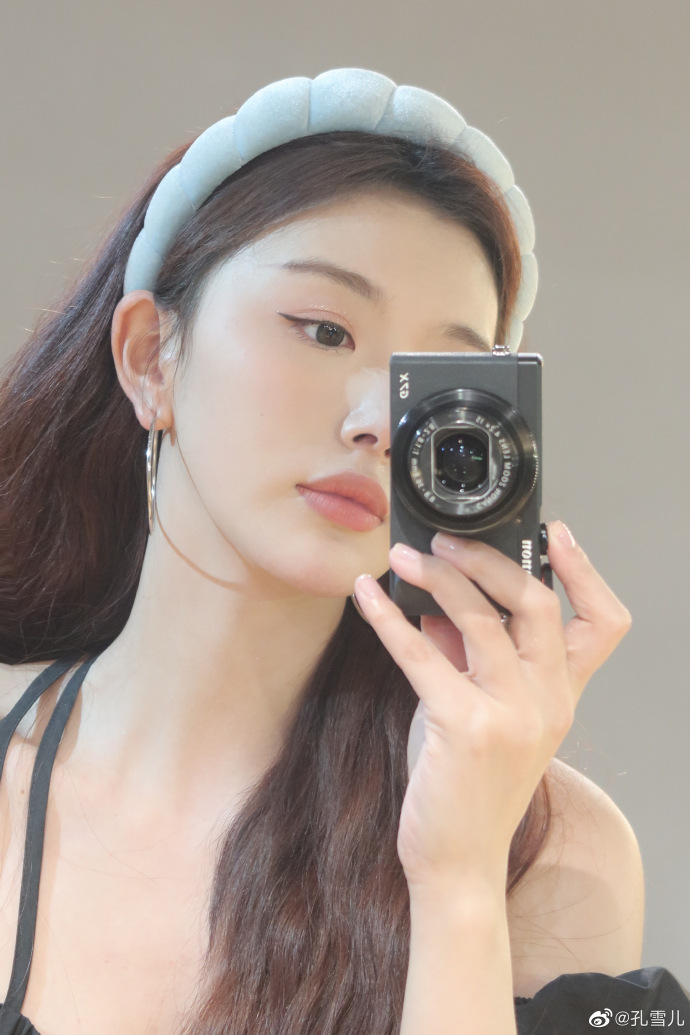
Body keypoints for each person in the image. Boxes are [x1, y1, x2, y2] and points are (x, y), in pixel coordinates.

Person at [0, 69, 686, 1035]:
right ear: (151, 356)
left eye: (433, 379)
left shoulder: (547, 855)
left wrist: (457, 880)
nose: (379, 421)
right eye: (324, 331)